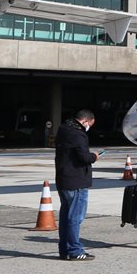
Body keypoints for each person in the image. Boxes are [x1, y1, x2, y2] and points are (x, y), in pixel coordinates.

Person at [54, 110, 100, 261]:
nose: (89, 128)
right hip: (76, 181)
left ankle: (64, 250)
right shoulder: (78, 135)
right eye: (90, 125)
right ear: (85, 121)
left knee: (66, 216)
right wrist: (94, 156)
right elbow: (83, 157)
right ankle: (75, 250)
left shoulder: (63, 130)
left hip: (63, 180)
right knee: (75, 217)